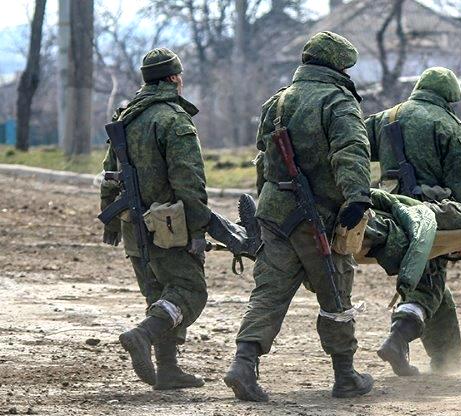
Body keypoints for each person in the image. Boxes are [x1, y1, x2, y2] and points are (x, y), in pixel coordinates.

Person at [223, 31, 373, 402]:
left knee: (269, 292)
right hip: (318, 216)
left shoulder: (275, 102)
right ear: (338, 66)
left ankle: (243, 364)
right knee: (335, 292)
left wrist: (265, 206)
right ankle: (345, 375)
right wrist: (357, 197)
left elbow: (263, 159)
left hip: (274, 213)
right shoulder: (337, 101)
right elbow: (350, 149)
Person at [100, 48, 210, 390]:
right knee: (189, 291)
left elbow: (110, 173)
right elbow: (189, 180)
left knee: (160, 295)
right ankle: (142, 335)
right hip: (168, 227)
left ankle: (168, 369)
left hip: (132, 223)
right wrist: (198, 229)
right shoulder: (173, 119)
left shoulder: (126, 116)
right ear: (174, 78)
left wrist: (111, 221)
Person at [365, 67, 461, 376]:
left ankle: (446, 360)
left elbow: (353, 148)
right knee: (429, 283)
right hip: (429, 217)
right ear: (448, 97)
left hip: (388, 214)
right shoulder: (449, 126)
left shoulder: (386, 118)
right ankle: (398, 337)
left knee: (432, 283)